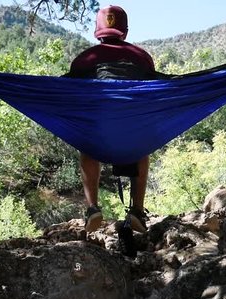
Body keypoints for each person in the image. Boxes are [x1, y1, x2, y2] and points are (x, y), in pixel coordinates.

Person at [67, 5, 155, 233]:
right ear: (124, 32)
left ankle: (92, 208)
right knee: (142, 152)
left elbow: (68, 93)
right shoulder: (142, 58)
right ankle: (137, 210)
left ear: (98, 32)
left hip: (98, 133)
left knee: (86, 150)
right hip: (132, 133)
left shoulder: (84, 60)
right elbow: (153, 94)